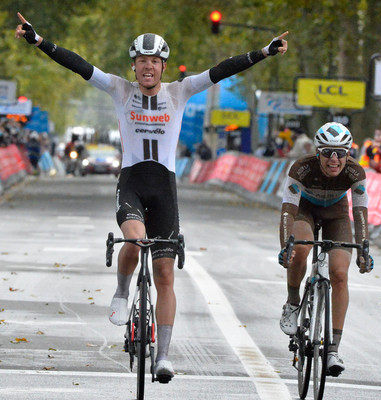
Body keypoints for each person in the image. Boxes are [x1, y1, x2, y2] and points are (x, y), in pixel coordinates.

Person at [15, 12, 288, 381]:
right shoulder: (118, 89)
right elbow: (78, 64)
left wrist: (263, 53)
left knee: (164, 274)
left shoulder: (180, 91)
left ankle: (163, 357)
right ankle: (121, 291)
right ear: (134, 66)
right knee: (135, 238)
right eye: (141, 62)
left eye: (154, 62)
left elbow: (222, 70)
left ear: (162, 66)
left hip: (165, 189)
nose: (148, 68)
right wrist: (39, 41)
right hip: (131, 182)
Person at [278, 122, 373, 377]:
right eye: (328, 152)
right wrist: (286, 245)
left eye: (341, 152)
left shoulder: (355, 172)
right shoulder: (301, 168)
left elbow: (361, 213)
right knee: (302, 247)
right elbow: (288, 209)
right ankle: (293, 301)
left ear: (348, 154)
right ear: (318, 152)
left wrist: (364, 248)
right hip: (304, 210)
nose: (334, 159)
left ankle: (333, 350)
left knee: (340, 273)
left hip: (336, 214)